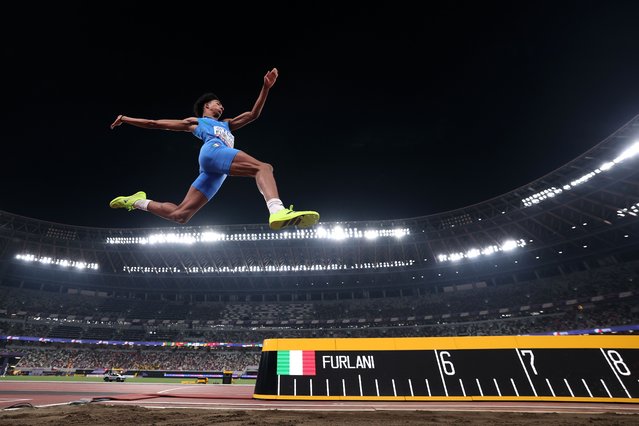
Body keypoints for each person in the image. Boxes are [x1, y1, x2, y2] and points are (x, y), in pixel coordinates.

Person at [108, 68, 319, 230]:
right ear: (206, 106)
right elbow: (155, 123)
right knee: (263, 168)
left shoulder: (227, 123)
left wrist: (266, 88)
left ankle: (137, 201)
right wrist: (126, 118)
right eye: (218, 103)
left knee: (180, 215)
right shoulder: (197, 122)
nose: (222, 107)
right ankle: (277, 210)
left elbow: (253, 114)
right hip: (213, 152)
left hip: (215, 171)